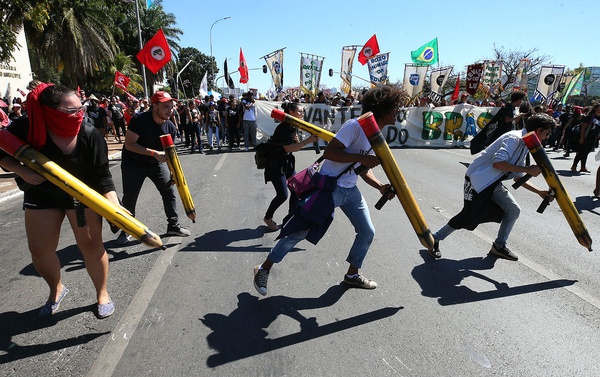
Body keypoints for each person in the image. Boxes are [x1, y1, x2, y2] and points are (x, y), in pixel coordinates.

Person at [253, 85, 402, 296]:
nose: (399, 111)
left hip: (351, 192)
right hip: (329, 188)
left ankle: (352, 275)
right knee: (300, 232)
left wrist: (380, 187)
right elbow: (331, 152)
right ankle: (263, 268)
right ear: (384, 108)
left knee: (367, 231)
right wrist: (361, 157)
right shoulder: (355, 126)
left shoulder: (375, 134)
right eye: (396, 107)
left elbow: (360, 169)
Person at [0, 83, 118, 318]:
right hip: (42, 195)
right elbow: (2, 153)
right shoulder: (26, 127)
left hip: (83, 196)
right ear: (49, 111)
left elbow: (103, 176)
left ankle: (102, 293)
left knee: (92, 247)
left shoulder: (89, 133)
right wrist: (21, 171)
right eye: (71, 111)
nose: (79, 114)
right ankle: (56, 289)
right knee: (40, 250)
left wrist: (114, 206)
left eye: (80, 108)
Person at [430, 113, 555, 261]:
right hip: (478, 180)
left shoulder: (525, 144)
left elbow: (517, 175)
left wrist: (539, 191)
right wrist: (528, 169)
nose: (546, 137)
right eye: (547, 133)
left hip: (493, 183)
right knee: (467, 216)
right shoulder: (514, 139)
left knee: (513, 210)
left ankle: (499, 246)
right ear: (539, 130)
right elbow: (498, 163)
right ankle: (435, 238)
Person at [115, 91, 191, 245]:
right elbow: (129, 144)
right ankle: (127, 230)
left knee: (169, 192)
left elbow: (170, 153)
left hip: (155, 164)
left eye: (171, 107)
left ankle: (173, 226)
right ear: (154, 106)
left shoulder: (170, 126)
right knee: (130, 198)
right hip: (133, 164)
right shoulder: (139, 120)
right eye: (165, 107)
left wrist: (173, 173)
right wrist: (153, 153)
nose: (170, 110)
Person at [263, 102, 319, 230]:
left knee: (296, 190)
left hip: (287, 163)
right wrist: (307, 141)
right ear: (291, 113)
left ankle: (290, 218)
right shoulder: (284, 127)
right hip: (276, 165)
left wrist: (300, 141)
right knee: (282, 195)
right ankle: (268, 217)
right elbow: (287, 148)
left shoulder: (293, 126)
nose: (302, 114)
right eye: (300, 111)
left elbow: (295, 147)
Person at [571, 104, 600, 173]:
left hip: (593, 138)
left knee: (586, 152)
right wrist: (582, 137)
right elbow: (583, 127)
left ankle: (583, 167)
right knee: (581, 152)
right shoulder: (589, 117)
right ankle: (574, 166)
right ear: (595, 109)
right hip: (586, 137)